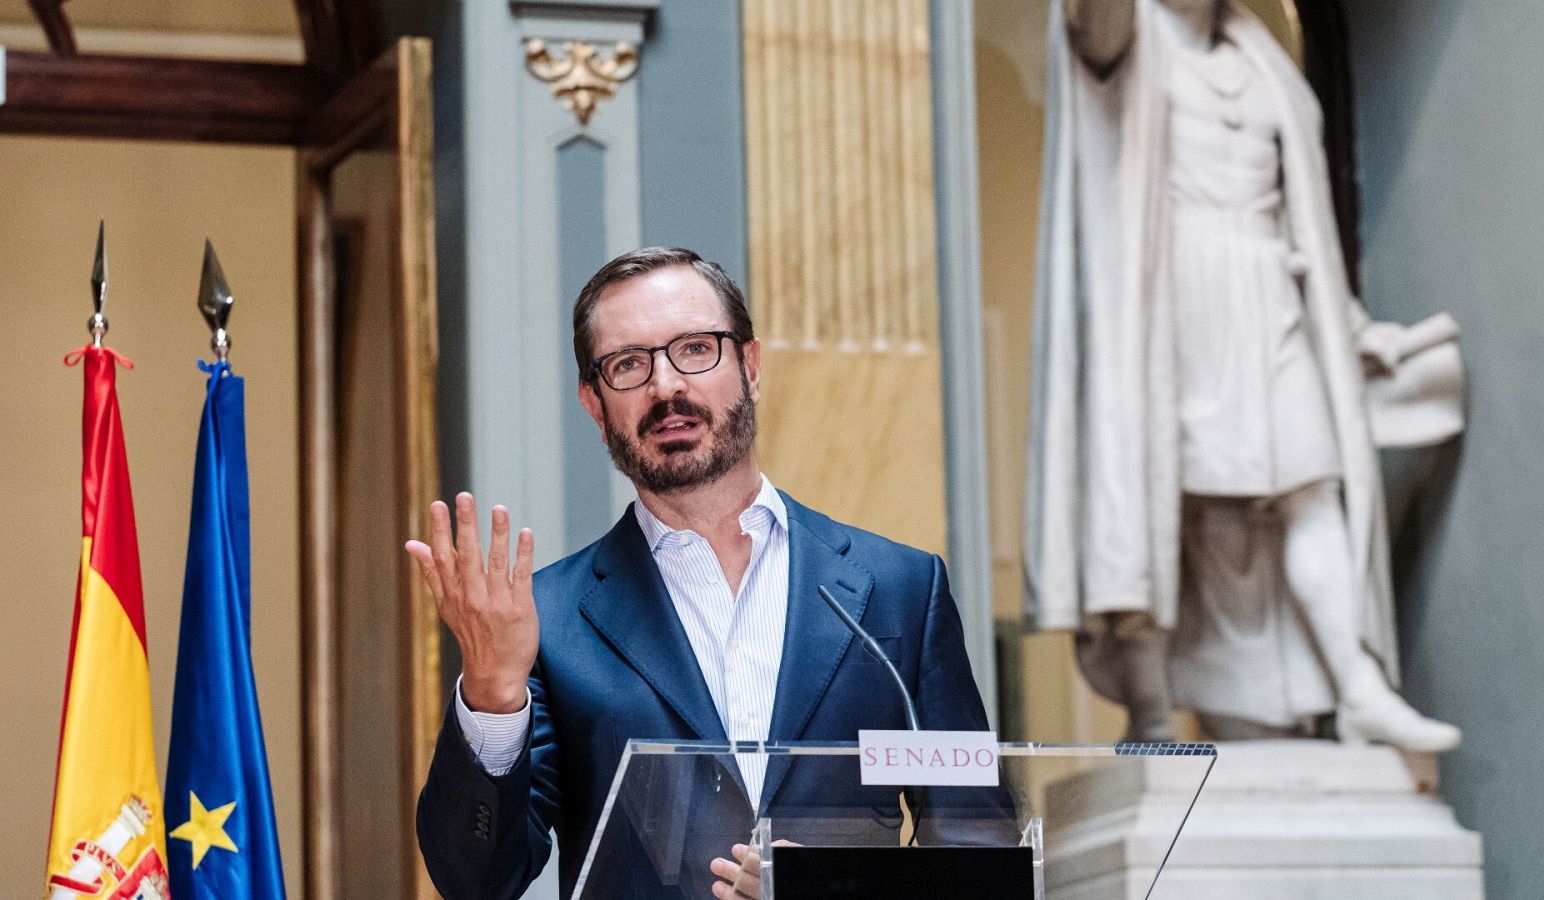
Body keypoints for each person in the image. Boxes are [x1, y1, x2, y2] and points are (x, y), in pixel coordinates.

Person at [410, 248, 1001, 899]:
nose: (666, 386)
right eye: (628, 365)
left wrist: (833, 887)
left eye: (695, 349)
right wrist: (493, 691)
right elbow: (474, 883)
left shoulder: (899, 592)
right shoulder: (550, 619)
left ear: (749, 366)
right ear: (594, 404)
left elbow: (983, 852)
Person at [1025, 0, 1461, 750]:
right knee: (1164, 512)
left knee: (1312, 485)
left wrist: (1351, 328)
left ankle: (1357, 687)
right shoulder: (1122, 36)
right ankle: (1152, 711)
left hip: (1269, 298)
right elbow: (1093, 22)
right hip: (1169, 308)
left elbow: (1307, 223)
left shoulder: (1264, 61)